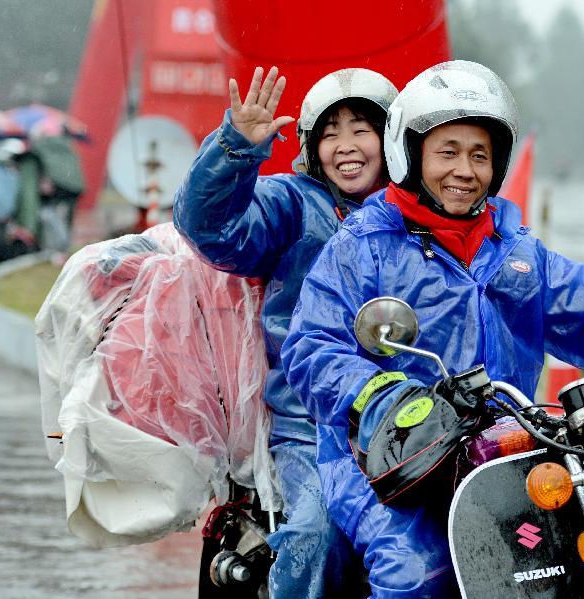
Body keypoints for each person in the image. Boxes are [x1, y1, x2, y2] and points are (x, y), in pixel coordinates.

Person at [281, 61, 584, 597]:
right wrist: (388, 397)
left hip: (511, 449)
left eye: (480, 155)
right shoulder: (364, 245)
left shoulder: (516, 251)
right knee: (417, 569)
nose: (464, 170)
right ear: (411, 154)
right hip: (390, 461)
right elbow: (312, 348)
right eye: (447, 152)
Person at [173, 65, 398, 597]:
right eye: (331, 132)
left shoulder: (417, 212)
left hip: (411, 420)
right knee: (316, 533)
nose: (346, 146)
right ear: (311, 145)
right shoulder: (291, 203)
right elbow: (207, 227)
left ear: (392, 138)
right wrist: (235, 147)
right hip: (311, 422)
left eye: (361, 128)